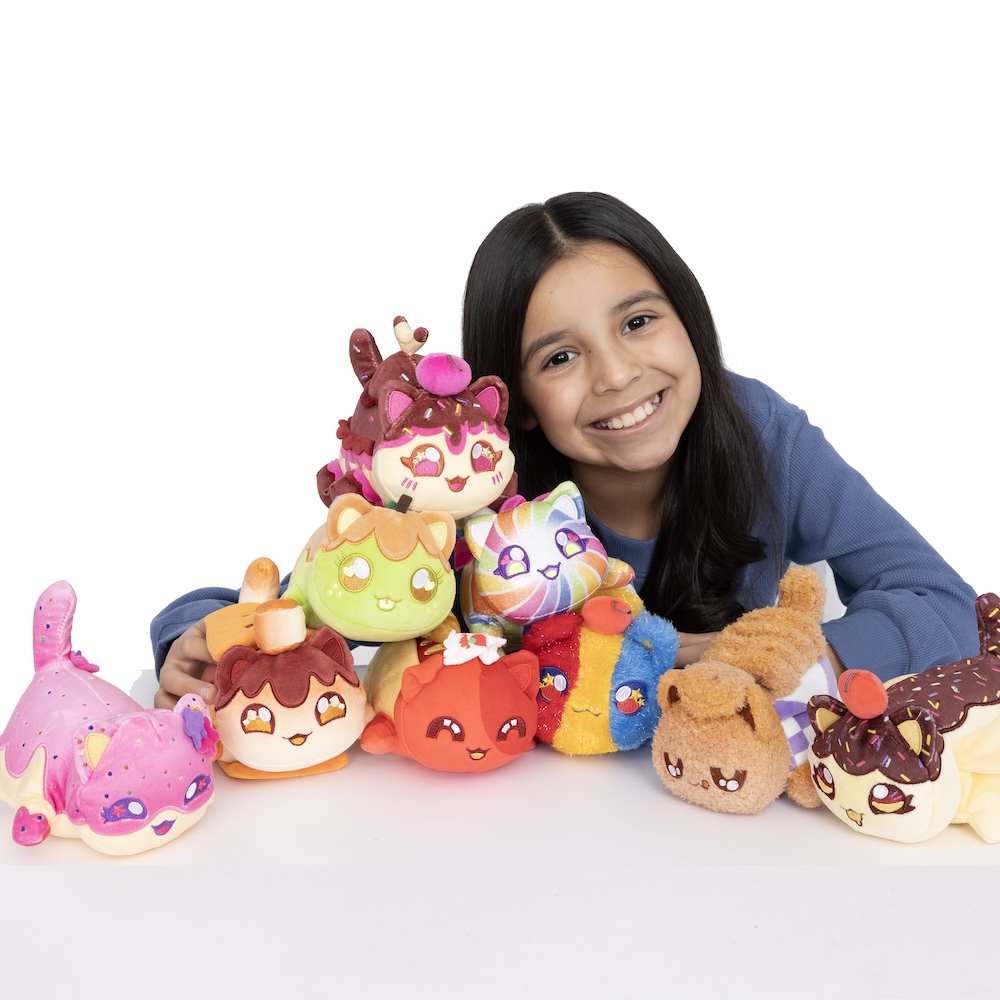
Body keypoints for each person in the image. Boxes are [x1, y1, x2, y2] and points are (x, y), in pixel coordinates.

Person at [151, 191, 979, 709]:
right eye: (560, 357)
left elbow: (942, 598)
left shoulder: (761, 433)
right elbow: (293, 600)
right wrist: (195, 637)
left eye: (639, 321)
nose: (618, 374)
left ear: (689, 316)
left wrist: (786, 654)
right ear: (512, 401)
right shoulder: (462, 497)